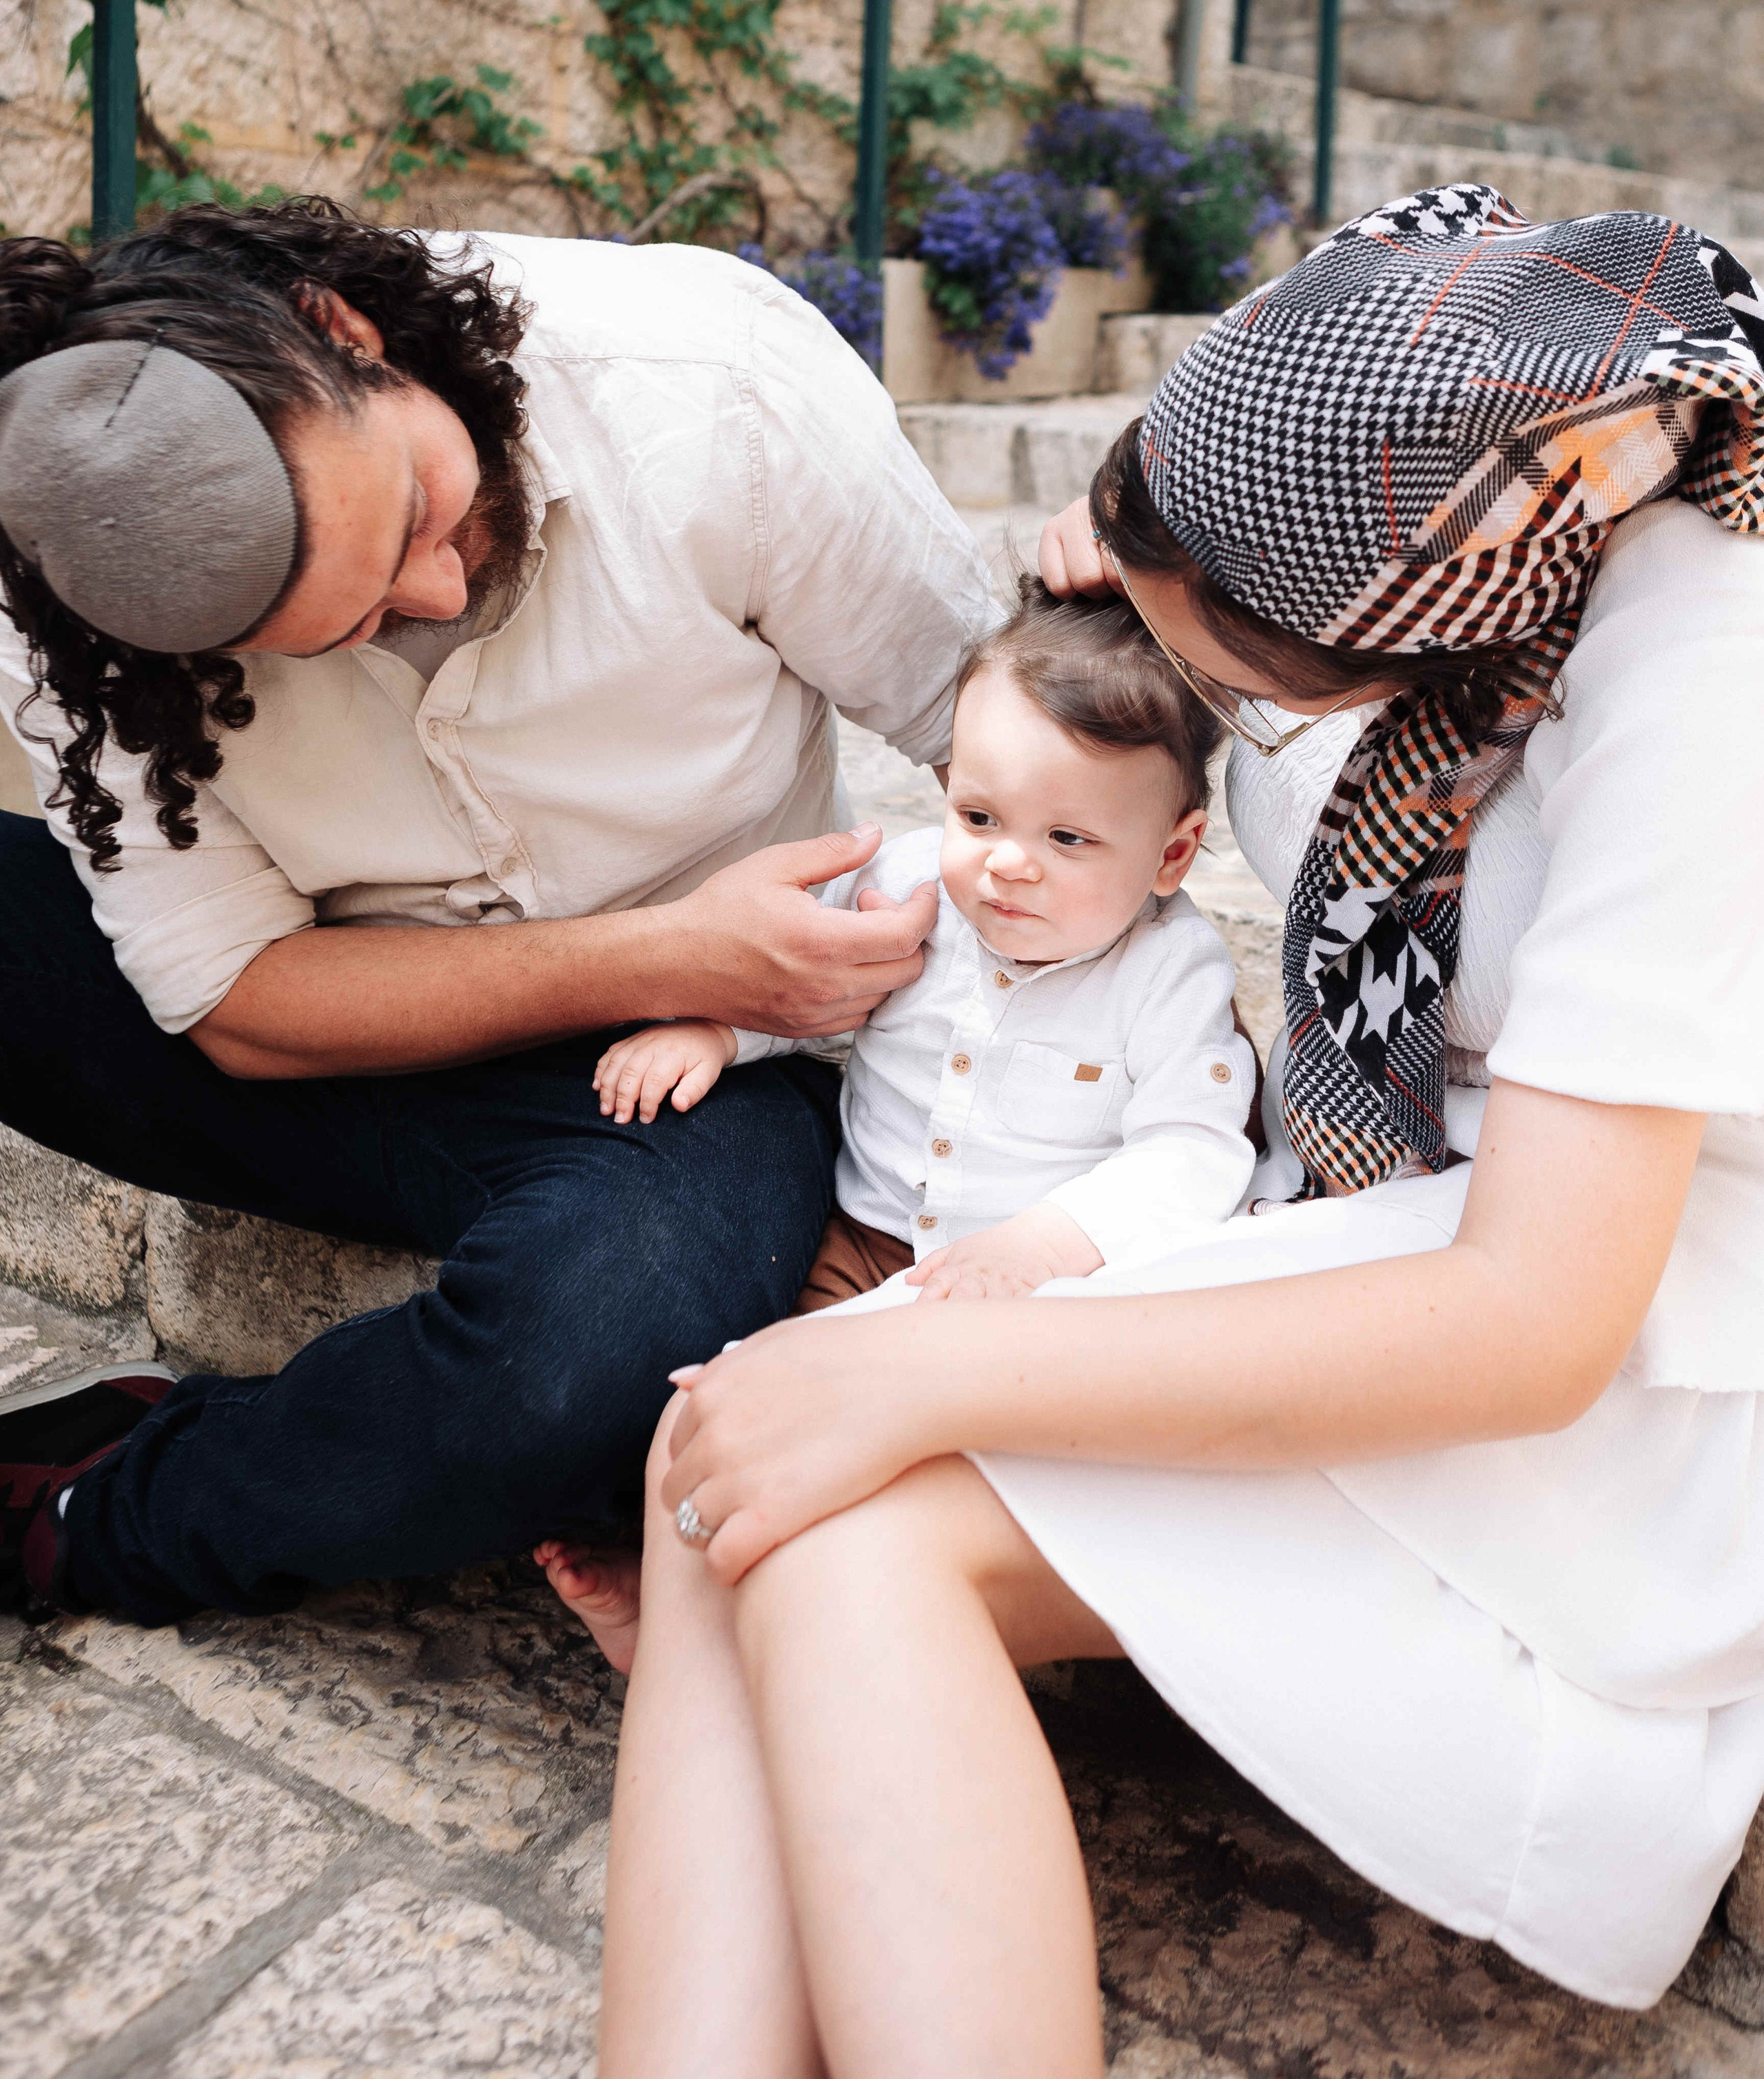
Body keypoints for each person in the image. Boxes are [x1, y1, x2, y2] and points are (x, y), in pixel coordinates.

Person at [593, 184, 1764, 2076]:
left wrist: (930, 1375)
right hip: (1409, 1236)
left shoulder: (1711, 683)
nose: (1224, 725)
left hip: (1639, 1359)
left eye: (1226, 694)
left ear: (1368, 630)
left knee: (840, 1519)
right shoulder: (1426, 455)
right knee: (717, 1449)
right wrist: (1161, 530)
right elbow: (1273, 487)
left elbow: (1541, 1327)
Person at [0, 201, 996, 1628]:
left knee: (575, 1354)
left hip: (698, 1063)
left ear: (343, 331)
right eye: (339, 632)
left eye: (408, 510)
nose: (436, 584)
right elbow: (230, 999)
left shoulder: (709, 388)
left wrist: (956, 1169)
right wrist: (659, 947)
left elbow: (1008, 743)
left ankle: (98, 1512)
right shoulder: (80, 589)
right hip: (341, 1036)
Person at [540, 577, 1257, 1661]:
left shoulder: (1168, 973)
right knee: (726, 1390)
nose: (1007, 863)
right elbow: (811, 988)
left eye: (1067, 838)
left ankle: (815, 1621)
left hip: (1043, 1292)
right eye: (979, 816)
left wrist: (1043, 1245)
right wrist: (720, 1034)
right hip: (868, 1245)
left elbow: (1195, 1150)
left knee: (921, 1460)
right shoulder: (918, 891)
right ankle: (676, 1597)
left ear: (1170, 852)